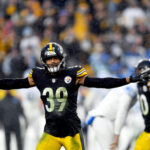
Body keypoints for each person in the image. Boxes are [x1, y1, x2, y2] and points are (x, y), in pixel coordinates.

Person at [0, 42, 149, 150]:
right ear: (44, 61)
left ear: (61, 58)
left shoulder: (73, 74)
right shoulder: (38, 75)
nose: (52, 61)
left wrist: (128, 79)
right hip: (50, 133)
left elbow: (100, 82)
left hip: (71, 133)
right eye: (49, 58)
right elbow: (16, 83)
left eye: (55, 58)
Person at [85, 83, 144, 150]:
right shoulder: (132, 89)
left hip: (103, 119)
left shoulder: (131, 86)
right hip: (102, 119)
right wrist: (117, 136)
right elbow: (122, 112)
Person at [134, 59, 150, 150]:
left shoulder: (147, 83)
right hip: (147, 129)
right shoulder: (140, 84)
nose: (137, 73)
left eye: (139, 70)